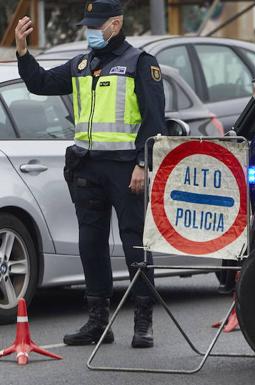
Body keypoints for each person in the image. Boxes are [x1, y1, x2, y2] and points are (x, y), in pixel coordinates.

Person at [14, 0, 165, 348]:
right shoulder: (82, 64)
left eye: (97, 25)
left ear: (116, 24)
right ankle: (98, 321)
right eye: (88, 25)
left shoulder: (139, 63)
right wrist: (22, 51)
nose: (91, 31)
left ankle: (144, 322)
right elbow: (40, 83)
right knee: (91, 246)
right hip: (87, 167)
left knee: (135, 244)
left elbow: (155, 120)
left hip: (127, 169)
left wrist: (143, 164)